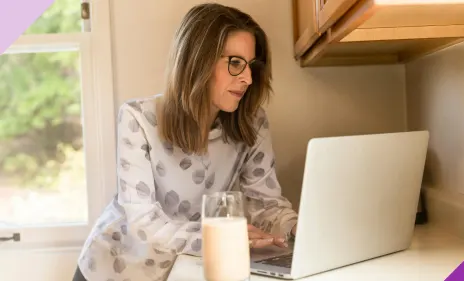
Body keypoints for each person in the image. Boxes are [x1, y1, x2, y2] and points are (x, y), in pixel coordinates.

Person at [73, 3, 298, 281]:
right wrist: (224, 237)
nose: (248, 79)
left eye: (251, 66)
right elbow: (143, 222)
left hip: (181, 269)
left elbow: (265, 204)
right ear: (197, 61)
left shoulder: (252, 123)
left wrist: (297, 226)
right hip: (113, 269)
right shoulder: (137, 119)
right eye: (236, 63)